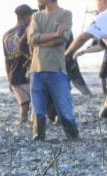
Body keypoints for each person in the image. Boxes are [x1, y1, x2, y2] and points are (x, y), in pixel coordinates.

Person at [27, 0, 78, 141]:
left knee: (64, 108)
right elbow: (31, 39)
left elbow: (62, 40)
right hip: (36, 68)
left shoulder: (65, 14)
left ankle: (73, 136)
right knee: (38, 110)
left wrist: (41, 42)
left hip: (56, 68)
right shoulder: (37, 16)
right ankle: (39, 136)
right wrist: (54, 34)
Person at [66, 0, 107, 122]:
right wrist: (84, 51)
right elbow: (103, 46)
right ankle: (106, 110)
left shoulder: (106, 15)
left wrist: (67, 54)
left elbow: (82, 38)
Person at [3, 4, 35, 124]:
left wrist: (9, 79)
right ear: (26, 16)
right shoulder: (28, 31)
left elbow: (6, 59)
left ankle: (22, 124)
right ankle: (26, 124)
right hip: (26, 72)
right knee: (32, 104)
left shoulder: (6, 35)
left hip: (13, 73)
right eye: (31, 15)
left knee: (23, 104)